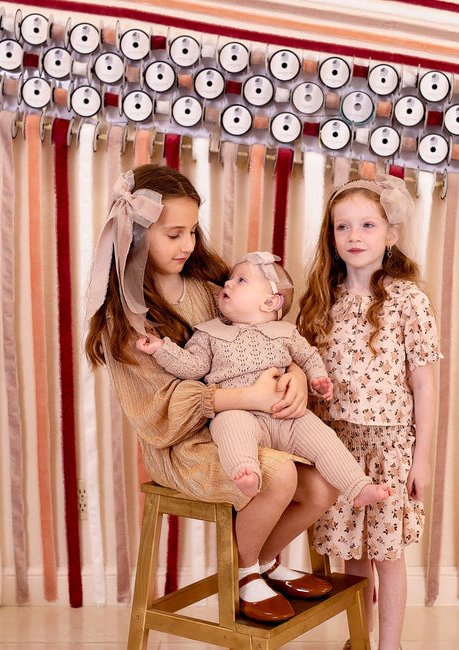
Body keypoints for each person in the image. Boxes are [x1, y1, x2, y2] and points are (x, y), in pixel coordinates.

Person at [85, 164, 345, 626]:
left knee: (323, 486)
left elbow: (263, 338)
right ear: (136, 235)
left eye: (192, 231)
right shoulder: (125, 321)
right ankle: (246, 575)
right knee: (281, 478)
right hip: (182, 444)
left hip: (251, 425)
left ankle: (265, 562)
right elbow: (157, 415)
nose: (187, 244)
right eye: (173, 234)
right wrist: (249, 397)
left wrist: (295, 377)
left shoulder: (210, 290)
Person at [297, 174, 441, 650]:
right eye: (343, 227)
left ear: (390, 233)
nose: (354, 236)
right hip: (337, 448)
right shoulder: (322, 301)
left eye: (367, 225)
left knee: (386, 555)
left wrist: (421, 460)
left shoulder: (407, 300)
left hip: (390, 449)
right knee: (350, 555)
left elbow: (424, 386)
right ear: (331, 236)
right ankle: (357, 647)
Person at [135, 250, 392, 510]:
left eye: (241, 280)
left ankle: (357, 486)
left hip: (285, 416)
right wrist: (162, 349)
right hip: (239, 411)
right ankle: (247, 472)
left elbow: (308, 357)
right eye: (231, 279)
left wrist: (317, 378)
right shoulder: (208, 333)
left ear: (270, 302)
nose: (228, 283)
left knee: (324, 438)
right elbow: (192, 367)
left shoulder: (286, 333)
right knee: (231, 429)